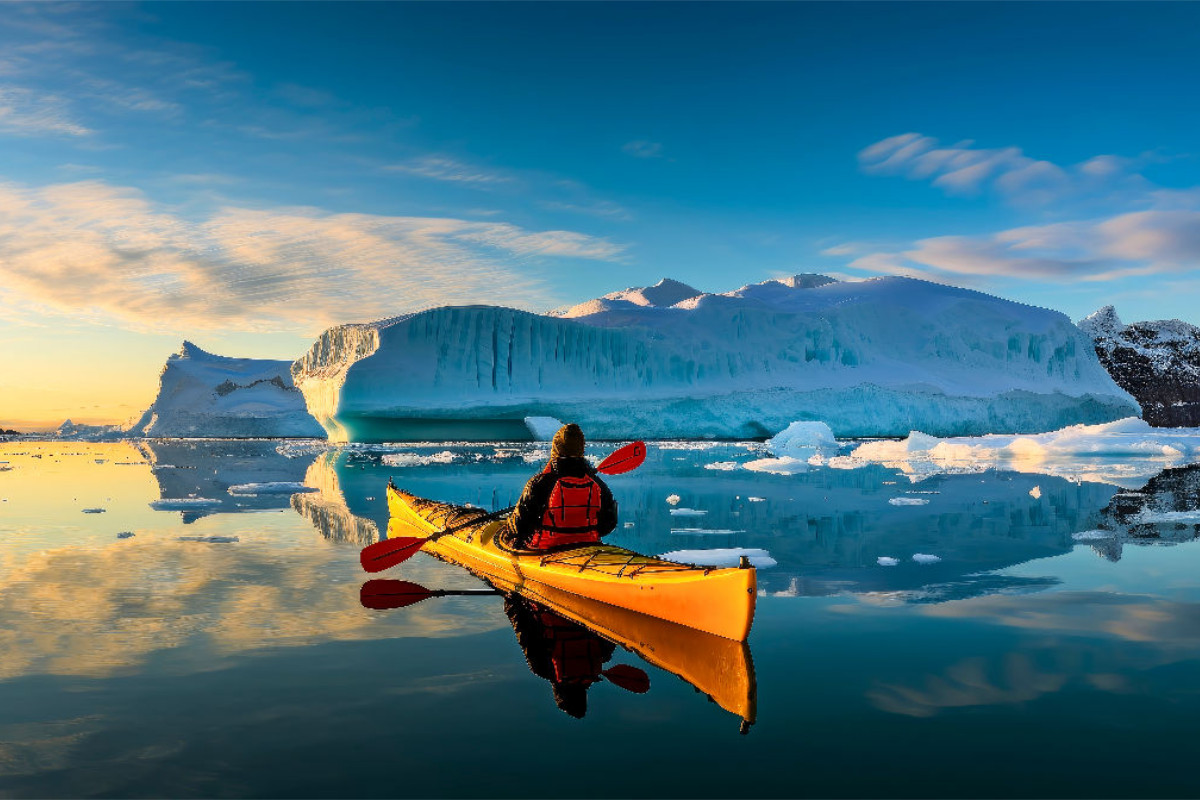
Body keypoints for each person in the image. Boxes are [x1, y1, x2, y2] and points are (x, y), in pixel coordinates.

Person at [506, 423, 618, 550]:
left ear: (555, 449)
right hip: (588, 546)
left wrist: (509, 527)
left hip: (546, 549)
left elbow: (520, 527)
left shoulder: (540, 483)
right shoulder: (597, 484)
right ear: (581, 449)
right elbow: (608, 524)